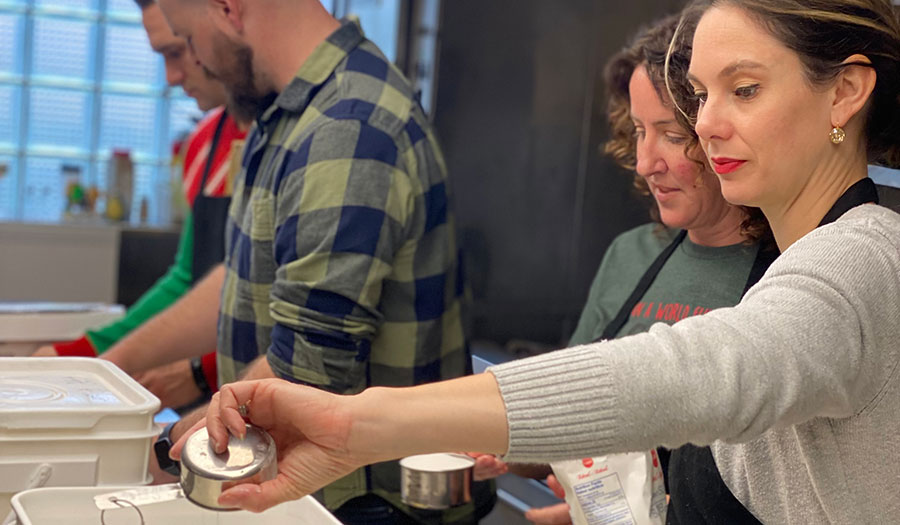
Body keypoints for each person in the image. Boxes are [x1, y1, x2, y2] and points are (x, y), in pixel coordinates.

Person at [179, 0, 900, 523]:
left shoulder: (865, 259)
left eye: (743, 89)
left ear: (845, 90)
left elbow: (696, 371)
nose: (707, 122)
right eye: (702, 95)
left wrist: (363, 423)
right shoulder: (793, 257)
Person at [107, 0, 497, 522]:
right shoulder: (290, 115)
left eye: (189, 41)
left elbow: (308, 366)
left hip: (368, 504)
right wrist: (107, 366)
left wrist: (169, 448)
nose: (195, 65)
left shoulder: (348, 125)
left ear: (227, 9)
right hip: (317, 489)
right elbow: (243, 280)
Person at [474, 14, 774, 525]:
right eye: (637, 131)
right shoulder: (631, 254)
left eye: (671, 134)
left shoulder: (789, 274)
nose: (643, 161)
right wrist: (519, 443)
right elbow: (579, 410)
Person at [33, 0, 249, 411]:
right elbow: (188, 278)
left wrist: (201, 370)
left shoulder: (285, 145)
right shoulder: (203, 146)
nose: (171, 77)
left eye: (178, 48)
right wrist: (80, 352)